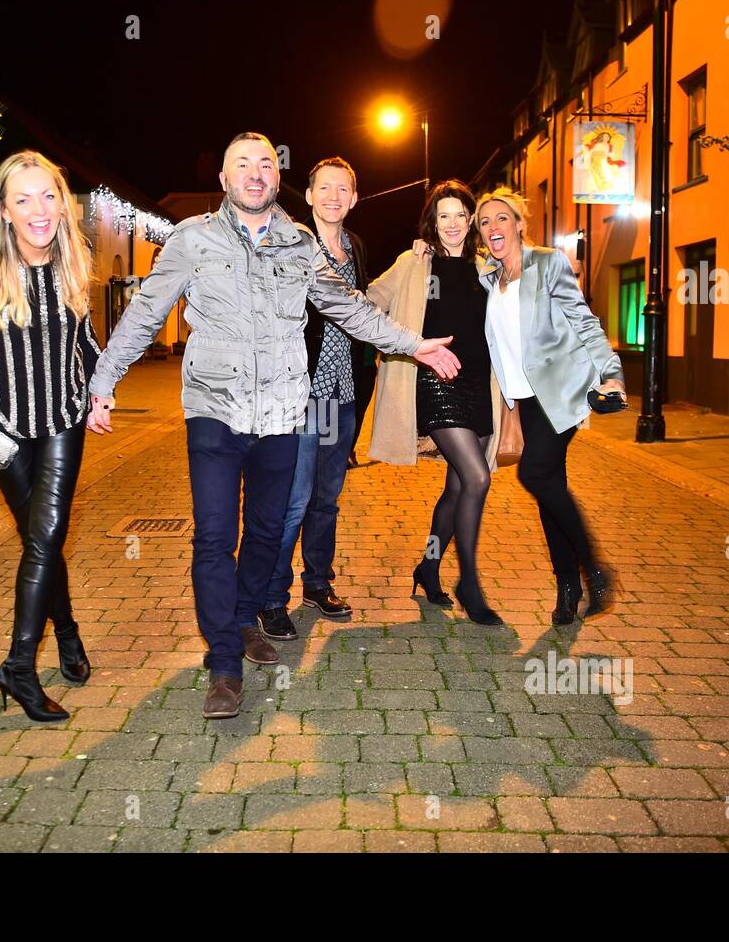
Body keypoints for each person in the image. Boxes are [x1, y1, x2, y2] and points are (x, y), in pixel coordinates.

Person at [85, 133, 461, 719]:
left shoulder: (299, 244)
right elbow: (146, 311)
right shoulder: (193, 238)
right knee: (214, 536)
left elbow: (351, 309)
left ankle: (240, 620)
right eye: (243, 165)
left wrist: (416, 347)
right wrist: (105, 379)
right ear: (225, 179)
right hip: (214, 407)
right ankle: (225, 664)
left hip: (284, 411)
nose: (255, 174)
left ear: (275, 176)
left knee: (265, 533)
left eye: (265, 164)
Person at [0, 150, 100, 723]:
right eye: (23, 199)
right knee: (43, 539)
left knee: (46, 534)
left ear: (62, 200)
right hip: (4, 429)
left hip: (63, 418)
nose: (39, 210)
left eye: (48, 195)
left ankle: (18, 666)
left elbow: (83, 337)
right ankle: (69, 633)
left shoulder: (72, 258)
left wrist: (99, 389)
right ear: (3, 210)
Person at [474, 187, 625, 625]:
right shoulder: (489, 277)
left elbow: (583, 320)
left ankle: (594, 566)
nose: (493, 228)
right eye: (485, 223)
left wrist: (611, 373)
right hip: (522, 397)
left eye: (501, 219)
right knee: (548, 490)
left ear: (520, 224)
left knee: (535, 473)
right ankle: (568, 585)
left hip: (559, 392)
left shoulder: (548, 263)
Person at [368, 180, 505, 626]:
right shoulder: (413, 262)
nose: (452, 223)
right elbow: (369, 301)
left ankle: (428, 565)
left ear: (471, 222)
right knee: (477, 476)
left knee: (457, 487)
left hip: (479, 385)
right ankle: (469, 581)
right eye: (443, 215)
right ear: (433, 221)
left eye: (460, 215)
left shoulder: (487, 268)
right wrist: (404, 341)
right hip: (435, 380)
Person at [256, 157, 370, 641]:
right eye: (325, 188)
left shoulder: (356, 247)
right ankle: (270, 598)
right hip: (304, 394)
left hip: (342, 395)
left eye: (343, 189)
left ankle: (317, 584)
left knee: (328, 497)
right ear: (308, 194)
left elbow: (367, 309)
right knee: (295, 499)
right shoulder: (292, 243)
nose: (333, 196)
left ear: (354, 197)